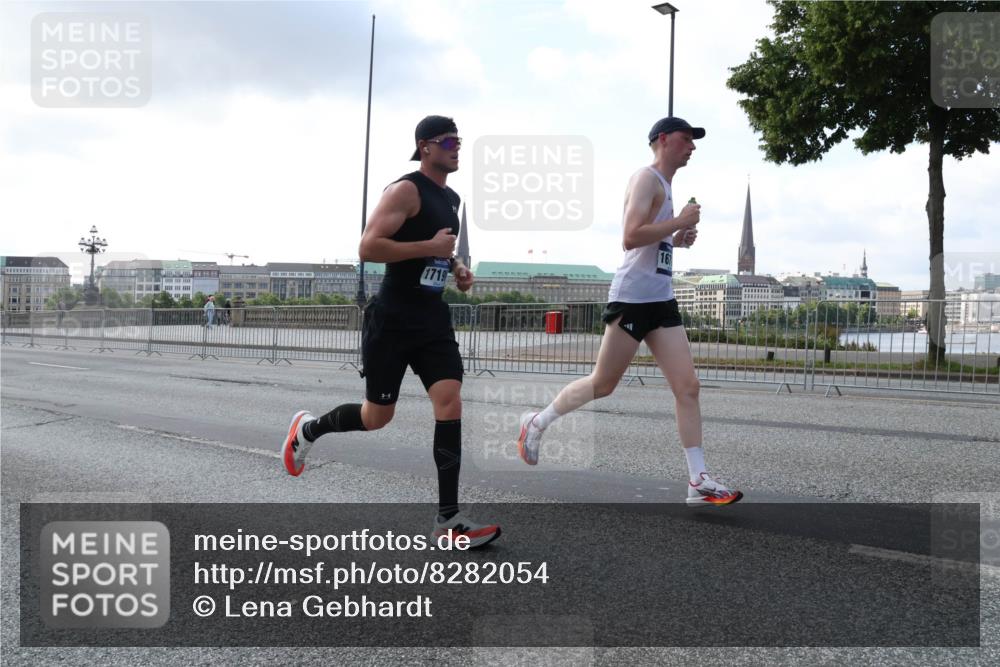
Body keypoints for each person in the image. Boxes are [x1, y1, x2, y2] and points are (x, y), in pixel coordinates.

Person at [281, 115, 501, 547]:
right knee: (376, 417)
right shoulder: (404, 190)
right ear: (425, 147)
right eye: (448, 141)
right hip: (394, 318)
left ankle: (447, 521)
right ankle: (309, 430)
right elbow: (368, 246)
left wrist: (456, 268)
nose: (456, 147)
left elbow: (441, 251)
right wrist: (429, 248)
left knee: (450, 400)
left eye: (459, 141)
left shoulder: (451, 198)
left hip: (432, 318)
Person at [516, 117, 743, 507]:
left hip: (662, 299)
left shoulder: (668, 186)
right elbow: (630, 236)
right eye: (687, 139)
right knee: (603, 384)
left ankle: (697, 479)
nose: (693, 147)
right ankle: (537, 422)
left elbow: (652, 242)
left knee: (687, 387)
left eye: (694, 141)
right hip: (634, 298)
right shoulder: (646, 178)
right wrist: (679, 222)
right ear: (663, 140)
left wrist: (677, 239)